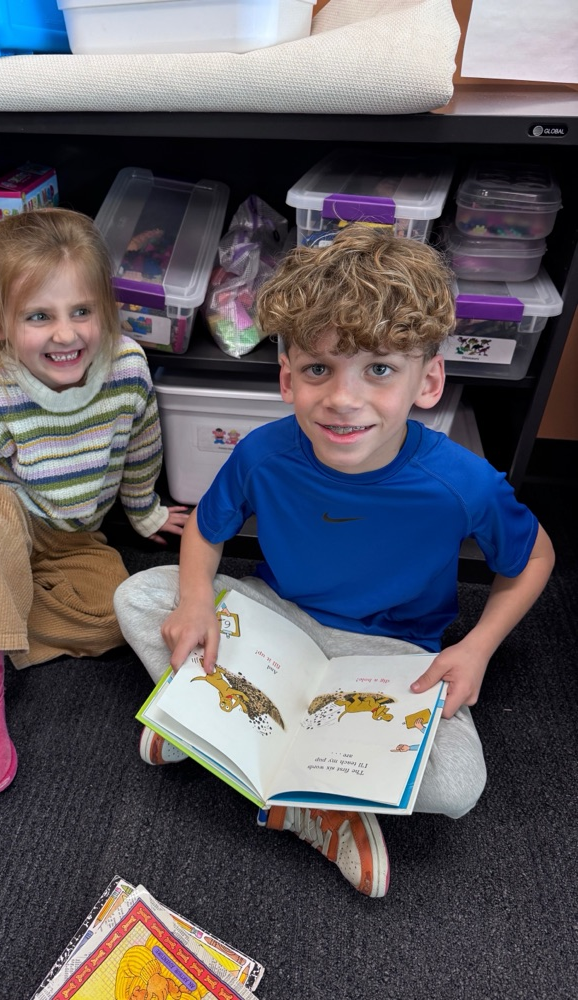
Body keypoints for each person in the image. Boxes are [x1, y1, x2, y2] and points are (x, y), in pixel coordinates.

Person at [113, 225, 554, 898]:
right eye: (319, 369)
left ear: (427, 379)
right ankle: (275, 766)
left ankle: (231, 745)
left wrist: (478, 649)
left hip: (394, 653)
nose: (343, 399)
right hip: (281, 622)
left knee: (457, 784)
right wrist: (197, 600)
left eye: (379, 370)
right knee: (142, 595)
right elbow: (205, 528)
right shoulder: (263, 453)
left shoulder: (462, 483)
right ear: (287, 378)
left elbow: (535, 557)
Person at [0, 208, 188, 800]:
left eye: (81, 312)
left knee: (116, 618)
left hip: (72, 540)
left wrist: (144, 509)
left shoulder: (128, 370)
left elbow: (141, 443)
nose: (66, 335)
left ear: (105, 309)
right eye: (39, 316)